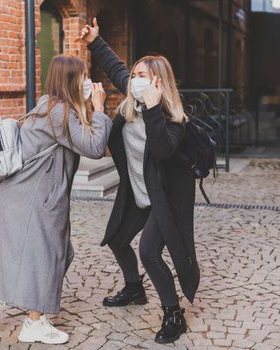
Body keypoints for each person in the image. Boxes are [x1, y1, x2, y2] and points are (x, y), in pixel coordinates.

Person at [0, 55, 112, 344]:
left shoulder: (49, 105)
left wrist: (87, 109)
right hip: (34, 200)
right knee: (46, 256)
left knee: (48, 256)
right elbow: (94, 146)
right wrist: (99, 108)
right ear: (72, 79)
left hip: (27, 196)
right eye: (84, 76)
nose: (88, 82)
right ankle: (13, 306)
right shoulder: (58, 112)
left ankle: (29, 315)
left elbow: (79, 136)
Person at [81, 18, 199, 344]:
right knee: (117, 240)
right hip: (136, 190)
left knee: (149, 251)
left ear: (158, 82)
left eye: (141, 77)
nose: (132, 80)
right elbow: (115, 66)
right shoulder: (132, 101)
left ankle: (173, 313)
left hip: (164, 197)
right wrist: (95, 39)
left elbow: (161, 152)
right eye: (133, 76)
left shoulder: (174, 119)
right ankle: (134, 289)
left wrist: (152, 108)